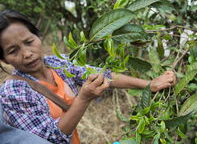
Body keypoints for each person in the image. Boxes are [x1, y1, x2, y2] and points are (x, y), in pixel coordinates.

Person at [0, 9, 176, 144]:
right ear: (4, 58)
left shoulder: (56, 63)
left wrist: (150, 84)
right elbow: (51, 139)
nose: (27, 54)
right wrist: (83, 98)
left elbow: (104, 75)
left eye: (29, 42)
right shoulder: (13, 91)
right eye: (13, 51)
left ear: (38, 37)